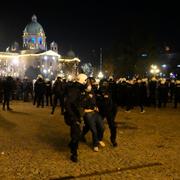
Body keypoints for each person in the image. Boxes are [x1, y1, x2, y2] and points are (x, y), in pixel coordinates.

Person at [63, 73, 87, 162]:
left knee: (76, 132)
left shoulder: (79, 89)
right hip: (73, 116)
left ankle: (72, 144)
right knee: (76, 133)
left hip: (77, 115)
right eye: (85, 81)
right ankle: (74, 153)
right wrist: (73, 116)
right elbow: (68, 103)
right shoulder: (75, 90)